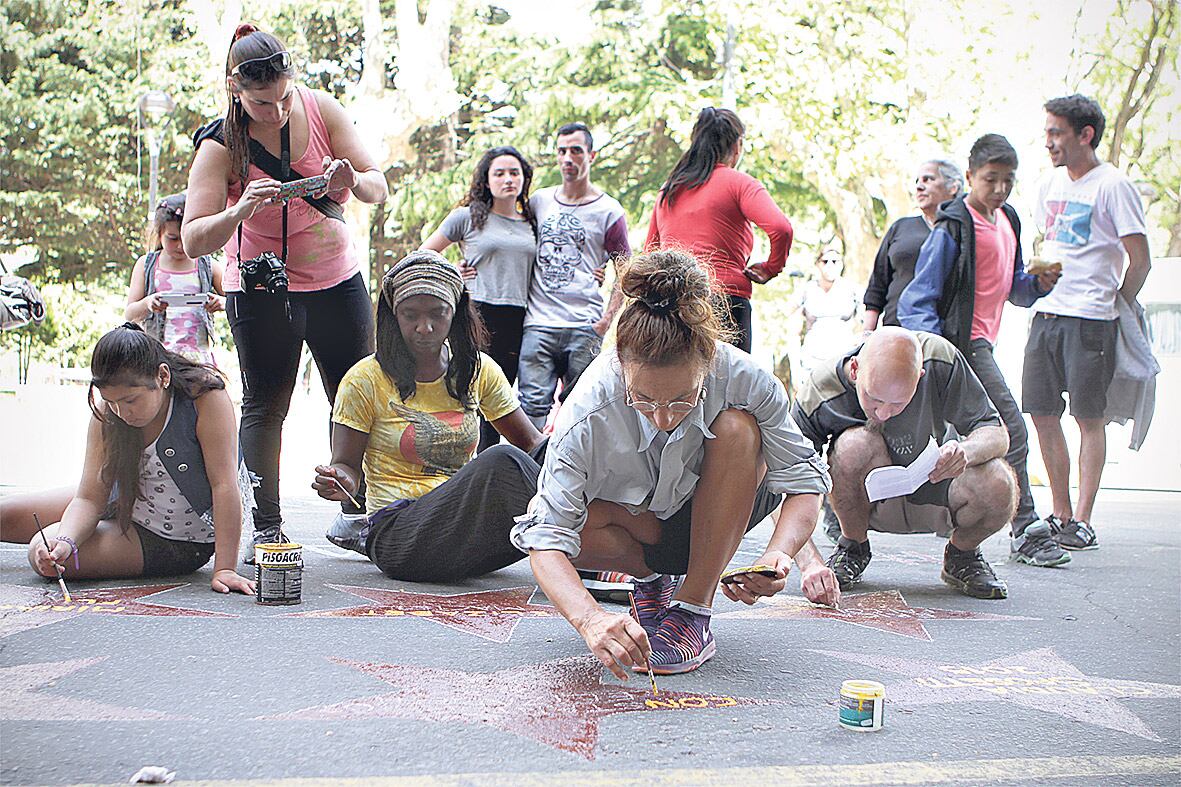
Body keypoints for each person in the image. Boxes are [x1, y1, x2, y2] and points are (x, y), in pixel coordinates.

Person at [511, 250, 839, 677]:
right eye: (643, 400)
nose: (664, 418)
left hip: (716, 516)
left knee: (739, 428)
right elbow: (546, 540)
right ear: (621, 365)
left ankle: (693, 609)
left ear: (708, 361)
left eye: (683, 399)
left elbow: (804, 483)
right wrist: (591, 619)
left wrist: (779, 554)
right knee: (566, 519)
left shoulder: (745, 378)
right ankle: (651, 583)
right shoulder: (587, 409)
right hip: (637, 530)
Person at [181, 25, 389, 556]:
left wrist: (349, 181)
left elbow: (377, 186)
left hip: (336, 280)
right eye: (261, 102)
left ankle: (359, 515)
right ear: (235, 88)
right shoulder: (218, 144)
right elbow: (193, 236)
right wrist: (240, 209)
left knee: (354, 394)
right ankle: (268, 526)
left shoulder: (321, 109)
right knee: (266, 404)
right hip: (262, 288)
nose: (275, 111)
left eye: (283, 97)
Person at [314, 251, 547, 581]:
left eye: (438, 314)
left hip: (462, 532)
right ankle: (588, 556)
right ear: (394, 316)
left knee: (558, 455)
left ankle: (593, 547)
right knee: (501, 460)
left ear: (454, 315)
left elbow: (532, 446)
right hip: (399, 536)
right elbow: (346, 466)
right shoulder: (365, 379)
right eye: (410, 315)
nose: (424, 327)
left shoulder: (478, 370)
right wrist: (338, 481)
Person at [899, 134, 1067, 568]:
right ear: (970, 176)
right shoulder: (954, 225)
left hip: (984, 342)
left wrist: (1040, 285)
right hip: (963, 346)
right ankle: (1027, 530)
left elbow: (1014, 289)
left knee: (964, 441)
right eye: (990, 179)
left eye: (1008, 180)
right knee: (1010, 428)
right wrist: (937, 357)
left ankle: (967, 538)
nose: (999, 189)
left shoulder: (1008, 218)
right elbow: (917, 299)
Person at [0, 324, 254, 594]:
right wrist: (67, 540)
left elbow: (224, 486)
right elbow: (89, 497)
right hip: (122, 500)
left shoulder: (204, 397)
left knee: (43, 551)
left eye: (131, 400)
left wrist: (225, 568)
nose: (122, 412)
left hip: (171, 538)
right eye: (111, 401)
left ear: (162, 377)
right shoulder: (108, 413)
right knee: (13, 520)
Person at [791, 327, 1015, 599]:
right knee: (852, 446)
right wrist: (809, 563)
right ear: (854, 370)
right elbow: (785, 479)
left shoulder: (939, 358)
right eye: (874, 399)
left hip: (939, 489)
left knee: (999, 480)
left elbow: (996, 433)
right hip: (865, 501)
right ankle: (853, 546)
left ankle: (963, 554)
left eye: (898, 403)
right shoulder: (820, 389)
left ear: (919, 377)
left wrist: (966, 451)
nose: (884, 413)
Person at [1022, 95, 1151, 552]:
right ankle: (1058, 512)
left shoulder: (1113, 185)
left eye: (1056, 133)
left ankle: (1083, 518)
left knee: (1088, 417)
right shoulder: (1047, 185)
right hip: (1047, 313)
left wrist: (1118, 303)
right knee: (1040, 413)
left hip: (1092, 318)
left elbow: (1141, 261)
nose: (1049, 143)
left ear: (1085, 135)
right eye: (1048, 133)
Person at [644, 107, 792, 353]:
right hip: (725, 302)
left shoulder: (669, 190)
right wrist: (771, 268)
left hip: (674, 306)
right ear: (737, 146)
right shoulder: (739, 183)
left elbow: (651, 253)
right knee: (729, 388)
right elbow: (781, 229)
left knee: (680, 388)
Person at [421, 146, 538, 452]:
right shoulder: (468, 217)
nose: (508, 179)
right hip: (477, 314)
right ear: (486, 180)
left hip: (519, 316)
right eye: (499, 173)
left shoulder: (531, 222)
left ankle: (491, 470)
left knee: (500, 399)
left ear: (524, 179)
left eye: (514, 172)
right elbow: (423, 255)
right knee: (467, 391)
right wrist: (453, 273)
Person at [517, 122, 629, 431]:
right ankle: (527, 476)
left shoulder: (608, 210)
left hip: (585, 325)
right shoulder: (539, 202)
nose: (568, 158)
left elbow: (625, 270)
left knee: (584, 410)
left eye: (576, 151)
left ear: (591, 156)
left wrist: (607, 319)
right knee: (530, 410)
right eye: (562, 151)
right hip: (539, 323)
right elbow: (509, 238)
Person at [863, 159, 964, 331]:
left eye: (928, 180)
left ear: (953, 187)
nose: (919, 187)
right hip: (894, 334)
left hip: (943, 338)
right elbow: (877, 287)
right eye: (917, 181)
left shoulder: (964, 233)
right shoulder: (901, 227)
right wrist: (866, 335)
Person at [125, 193, 225, 365]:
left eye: (186, 238)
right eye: (172, 238)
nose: (180, 246)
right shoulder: (146, 265)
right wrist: (148, 304)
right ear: (159, 233)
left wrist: (221, 303)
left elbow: (237, 303)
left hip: (199, 361)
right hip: (159, 360)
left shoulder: (208, 265)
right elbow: (129, 314)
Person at [791, 247, 860, 373]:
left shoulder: (853, 290)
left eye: (835, 261)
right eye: (825, 261)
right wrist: (795, 370)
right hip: (811, 362)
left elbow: (867, 326)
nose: (830, 265)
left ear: (841, 264)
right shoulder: (806, 291)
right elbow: (794, 333)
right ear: (818, 264)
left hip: (843, 359)